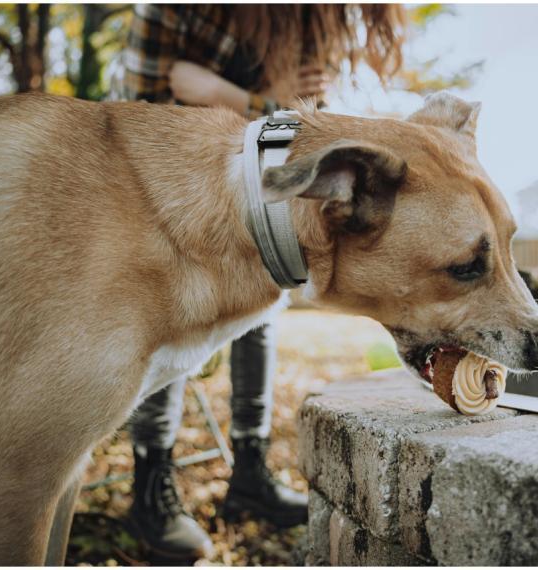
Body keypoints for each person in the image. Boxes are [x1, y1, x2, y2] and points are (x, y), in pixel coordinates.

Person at [117, 4, 407, 560]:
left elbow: (295, 131)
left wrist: (226, 91)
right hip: (162, 186)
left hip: (260, 181)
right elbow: (140, 112)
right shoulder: (173, 9)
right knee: (167, 311)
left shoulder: (306, 17)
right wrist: (252, 99)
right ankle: (151, 485)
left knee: (265, 300)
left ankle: (249, 470)